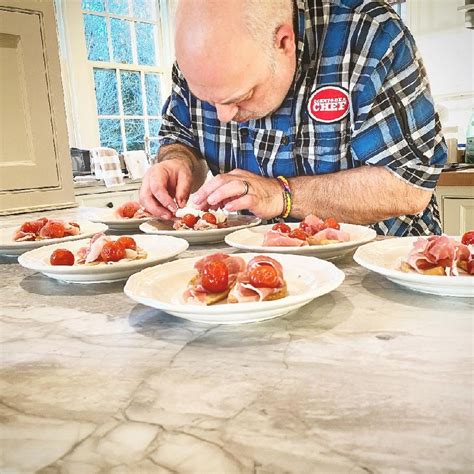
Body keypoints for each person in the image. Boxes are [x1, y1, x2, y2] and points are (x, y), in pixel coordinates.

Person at [140, 0, 447, 236]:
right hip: (253, 265)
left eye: (241, 96)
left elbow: (409, 186)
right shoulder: (200, 60)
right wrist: (175, 162)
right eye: (208, 101)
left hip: (379, 268)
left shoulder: (369, 36)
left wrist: (280, 194)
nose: (223, 117)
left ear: (284, 43)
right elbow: (180, 138)